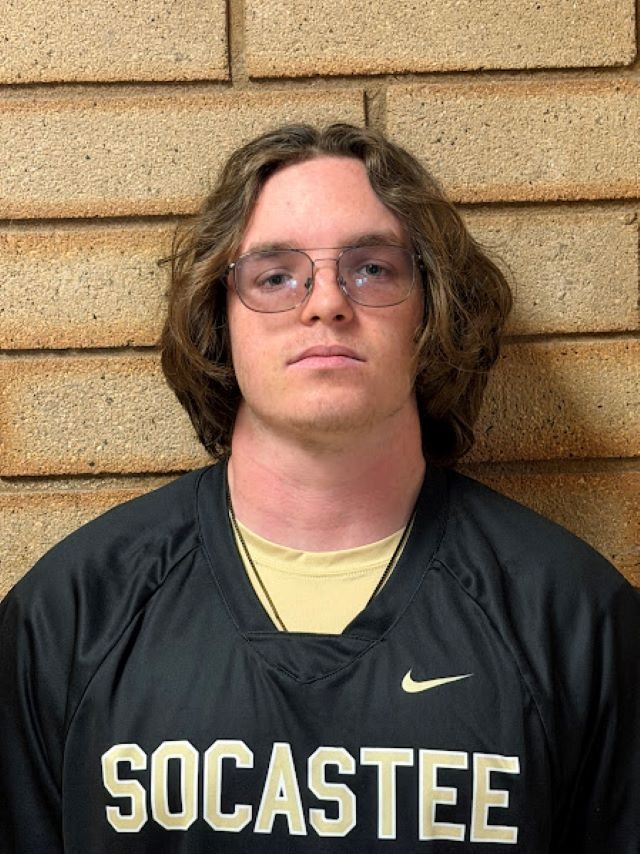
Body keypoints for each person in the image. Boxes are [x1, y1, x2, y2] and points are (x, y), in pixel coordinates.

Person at [0, 123, 638, 853]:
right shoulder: (72, 614)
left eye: (373, 269)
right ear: (218, 317)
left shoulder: (574, 619)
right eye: (275, 276)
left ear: (432, 309)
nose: (326, 302)